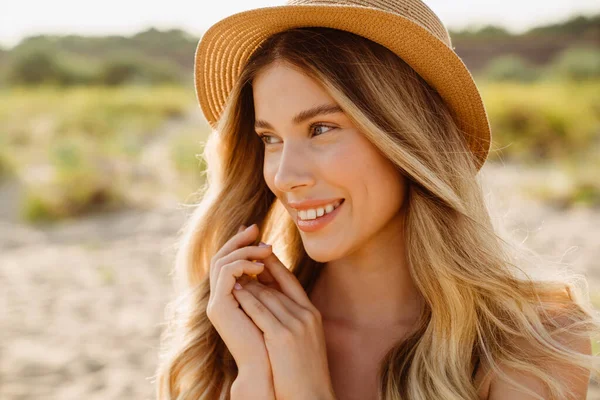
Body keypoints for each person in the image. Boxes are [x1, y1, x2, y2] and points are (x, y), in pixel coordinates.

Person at [155, 1, 600, 399]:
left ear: (406, 136)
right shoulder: (230, 334)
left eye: (321, 129)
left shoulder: (536, 340)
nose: (285, 176)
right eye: (270, 138)